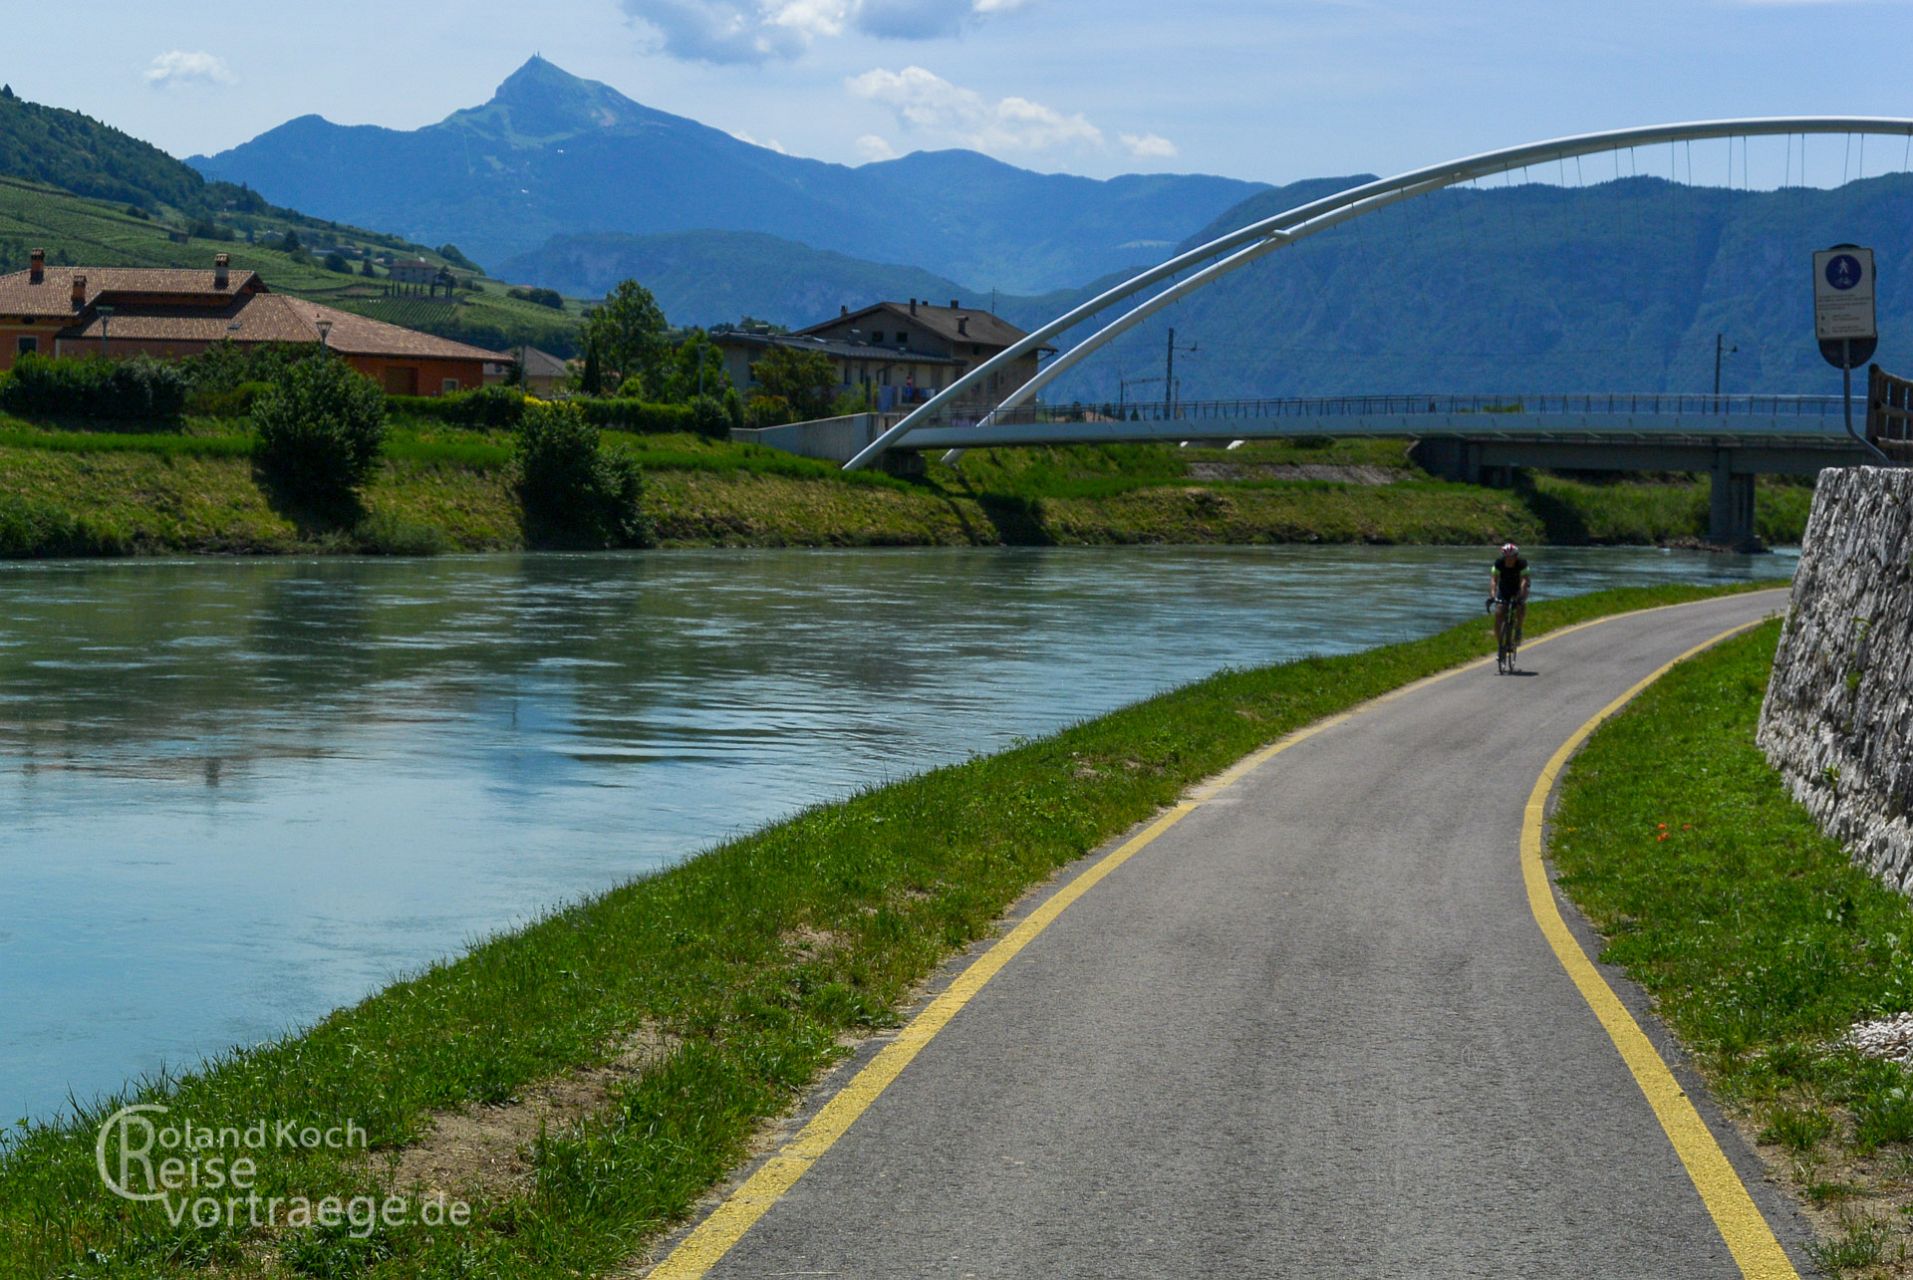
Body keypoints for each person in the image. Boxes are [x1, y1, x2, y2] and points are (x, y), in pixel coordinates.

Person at [1489, 542, 1530, 647]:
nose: (1509, 560)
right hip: (1504, 589)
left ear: (1516, 557)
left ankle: (1519, 628)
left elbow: (1524, 581)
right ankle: (1501, 645)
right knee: (1499, 614)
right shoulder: (1498, 563)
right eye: (1506, 557)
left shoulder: (1522, 563)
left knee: (1520, 607)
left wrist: (1520, 596)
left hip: (1518, 588)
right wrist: (1493, 595)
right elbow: (1494, 580)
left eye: (1511, 557)